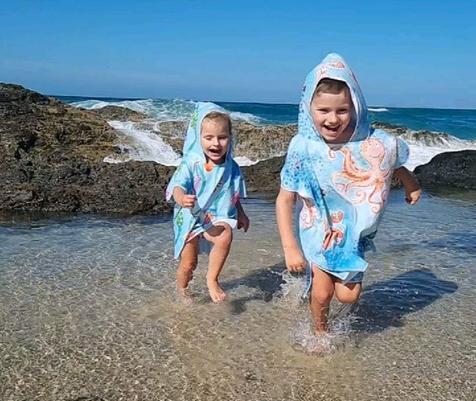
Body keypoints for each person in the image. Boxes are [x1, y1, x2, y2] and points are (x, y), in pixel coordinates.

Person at [276, 53, 421, 334]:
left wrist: (410, 183)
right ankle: (320, 332)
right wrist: (290, 247)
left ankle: (338, 306)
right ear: (309, 109)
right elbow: (285, 198)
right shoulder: (302, 147)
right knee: (322, 294)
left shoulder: (373, 143)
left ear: (355, 107)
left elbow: (391, 161)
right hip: (317, 226)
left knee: (348, 296)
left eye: (342, 110)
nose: (333, 119)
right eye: (323, 111)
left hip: (353, 231)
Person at [166, 103, 249, 302]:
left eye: (222, 137)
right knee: (189, 263)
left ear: (230, 139)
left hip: (215, 217)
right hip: (190, 215)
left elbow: (233, 193)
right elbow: (178, 186)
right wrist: (181, 198)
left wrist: (241, 213)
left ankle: (212, 279)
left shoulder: (232, 167)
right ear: (199, 138)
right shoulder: (192, 163)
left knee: (225, 235)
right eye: (209, 137)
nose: (216, 143)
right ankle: (182, 291)